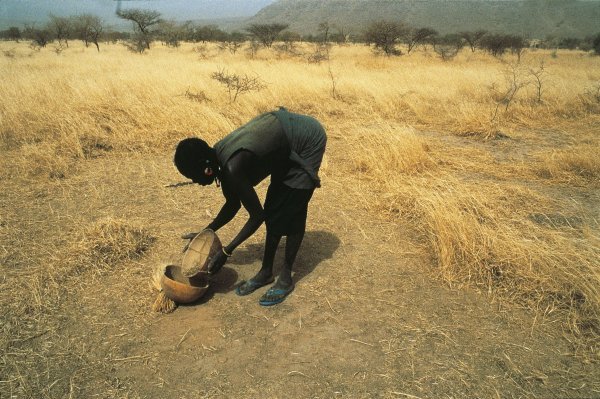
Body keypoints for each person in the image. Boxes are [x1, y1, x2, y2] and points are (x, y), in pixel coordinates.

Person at [173, 107, 327, 306]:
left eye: (194, 176)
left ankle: (286, 275)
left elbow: (256, 216)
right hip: (285, 144)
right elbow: (232, 204)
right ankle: (266, 272)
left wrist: (228, 251)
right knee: (274, 209)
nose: (196, 182)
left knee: (292, 207)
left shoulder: (231, 167)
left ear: (207, 169)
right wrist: (206, 231)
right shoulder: (219, 159)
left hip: (306, 140)